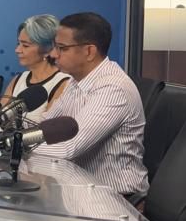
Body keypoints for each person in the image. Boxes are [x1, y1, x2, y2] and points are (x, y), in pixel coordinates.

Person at [33, 12, 148, 197]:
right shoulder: (75, 82)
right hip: (80, 192)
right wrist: (0, 131)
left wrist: (11, 146)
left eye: (62, 48)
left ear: (89, 52)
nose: (53, 54)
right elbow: (44, 127)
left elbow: (68, 148)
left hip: (115, 198)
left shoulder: (113, 88)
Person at [0, 14, 71, 123]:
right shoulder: (18, 79)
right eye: (18, 43)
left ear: (48, 50)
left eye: (25, 46)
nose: (17, 50)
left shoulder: (63, 83)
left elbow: (48, 128)